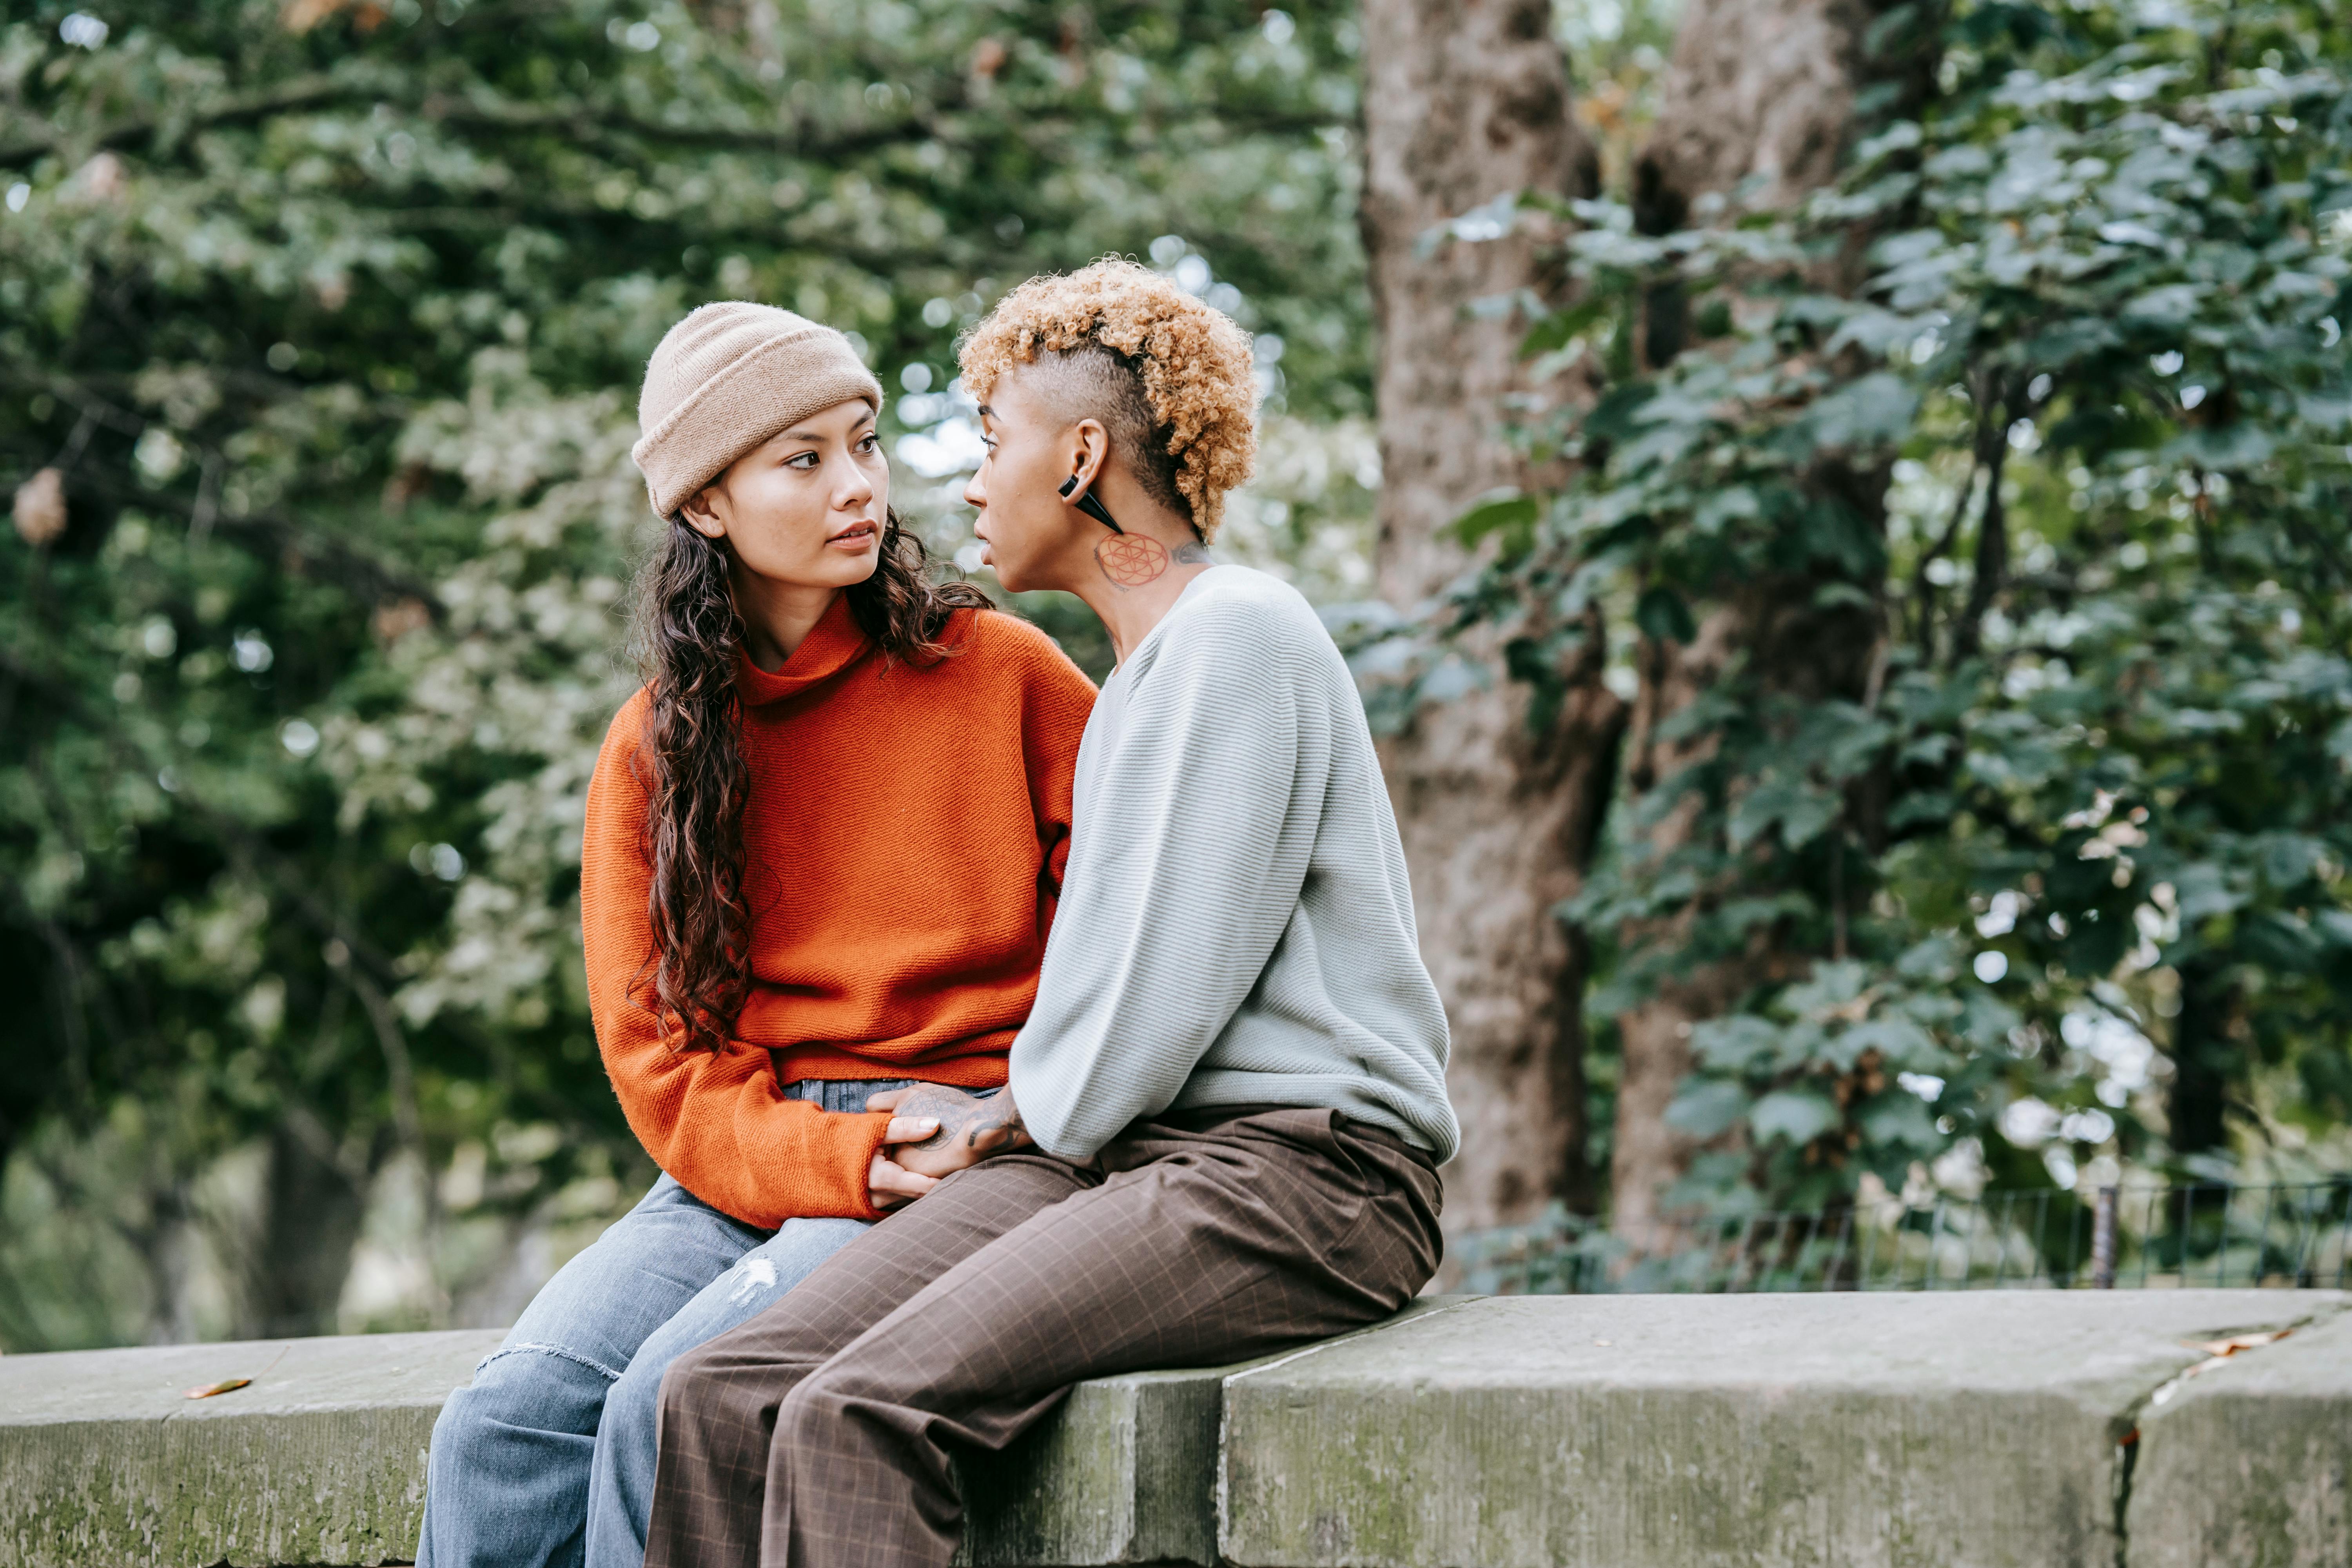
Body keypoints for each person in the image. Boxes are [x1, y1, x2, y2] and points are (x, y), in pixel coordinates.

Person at [639, 258, 1460, 1568]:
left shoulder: (1240, 635)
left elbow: (1145, 1007)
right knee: (721, 1394)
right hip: (1143, 1155)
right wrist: (1018, 1121)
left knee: (858, 1409)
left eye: (989, 439)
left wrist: (1005, 1114)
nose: (960, 482)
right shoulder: (1134, 684)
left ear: (1079, 459)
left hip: (1311, 1175)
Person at [416, 303, 1097, 1568]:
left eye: (866, 444)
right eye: (804, 459)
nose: (858, 488)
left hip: (951, 1145)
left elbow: (1134, 938)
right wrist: (825, 1155)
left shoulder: (1006, 674)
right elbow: (663, 1061)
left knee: (668, 1410)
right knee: (501, 1431)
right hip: (747, 1168)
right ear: (708, 506)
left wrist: (1001, 1118)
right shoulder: (656, 749)